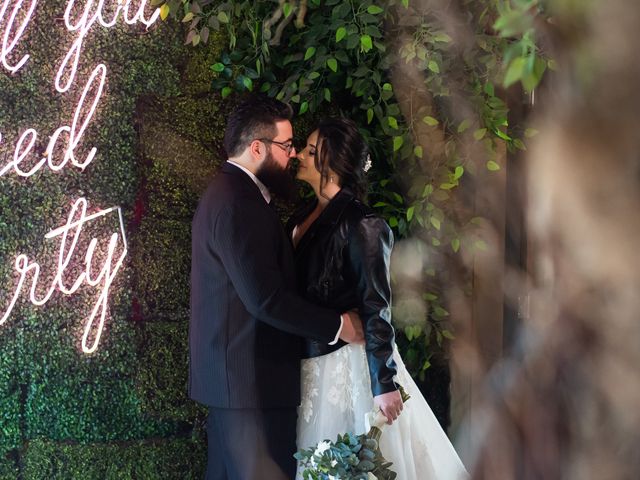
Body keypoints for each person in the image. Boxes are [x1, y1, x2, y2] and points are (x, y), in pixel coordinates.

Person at [189, 96, 365, 480]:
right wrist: (340, 325)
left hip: (239, 386)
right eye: (286, 146)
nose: (293, 156)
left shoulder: (232, 194)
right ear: (257, 148)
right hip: (251, 388)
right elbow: (266, 299)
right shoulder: (239, 204)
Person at [290, 118, 469, 480]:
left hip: (345, 368)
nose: (298, 156)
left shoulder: (363, 224)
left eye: (311, 151)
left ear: (334, 163)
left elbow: (376, 306)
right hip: (308, 365)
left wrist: (383, 384)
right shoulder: (302, 216)